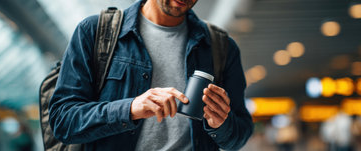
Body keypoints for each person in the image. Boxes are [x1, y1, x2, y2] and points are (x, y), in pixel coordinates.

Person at [49, 0, 253, 150]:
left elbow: (239, 136)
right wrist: (130, 108)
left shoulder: (221, 47)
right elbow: (63, 122)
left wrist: (221, 123)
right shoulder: (95, 33)